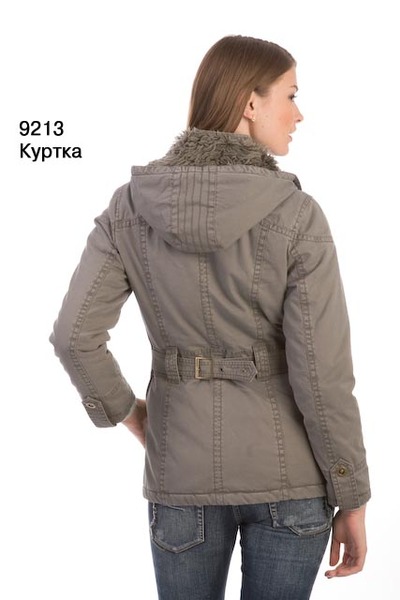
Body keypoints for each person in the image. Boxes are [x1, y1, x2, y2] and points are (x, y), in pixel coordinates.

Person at [50, 35, 370, 600]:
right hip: (290, 479)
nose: (299, 114)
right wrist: (352, 493)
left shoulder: (130, 206)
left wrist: (133, 416)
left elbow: (75, 337)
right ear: (250, 103)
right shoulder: (298, 216)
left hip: (180, 472)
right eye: (291, 95)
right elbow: (323, 375)